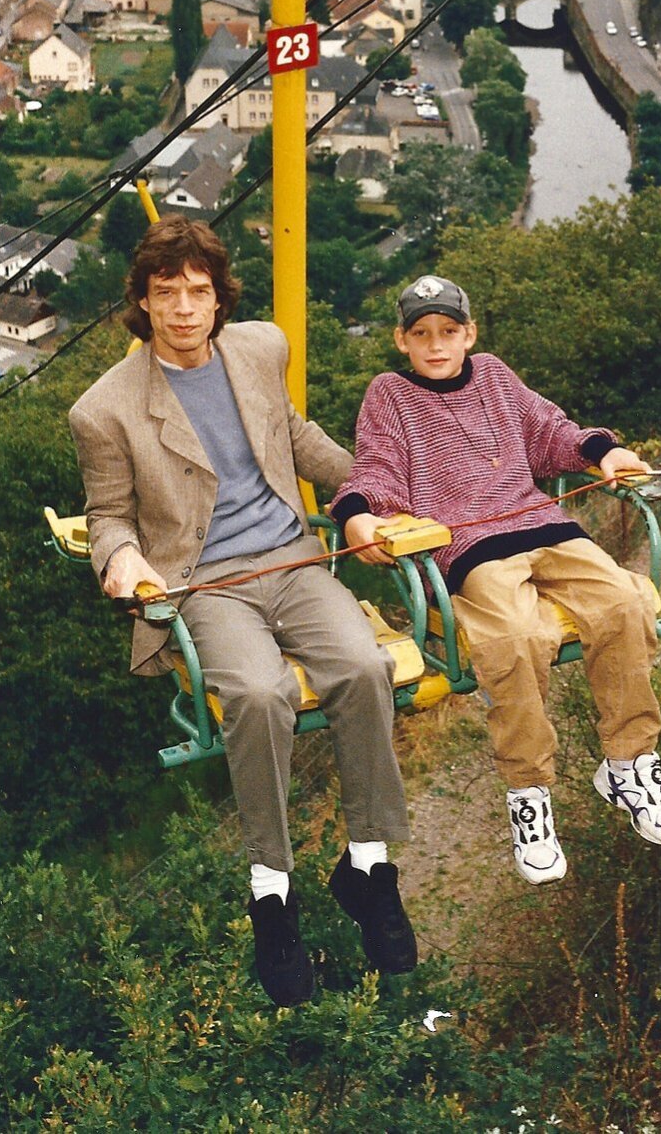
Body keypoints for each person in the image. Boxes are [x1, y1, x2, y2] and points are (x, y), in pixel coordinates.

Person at [68, 216, 417, 1005]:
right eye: (168, 294)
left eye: (199, 293)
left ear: (219, 299)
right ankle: (272, 891)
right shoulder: (106, 408)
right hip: (205, 579)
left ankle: (370, 868)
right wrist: (120, 560)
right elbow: (111, 516)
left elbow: (292, 435)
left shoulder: (260, 349)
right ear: (143, 302)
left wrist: (362, 498)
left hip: (290, 557)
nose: (186, 309)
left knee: (366, 665)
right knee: (260, 695)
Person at [333, 274, 661, 886]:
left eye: (449, 332)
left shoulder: (494, 376)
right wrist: (360, 513)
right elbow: (379, 467)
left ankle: (630, 763)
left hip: (543, 524)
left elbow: (551, 432)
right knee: (515, 637)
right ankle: (529, 794)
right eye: (421, 335)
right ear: (401, 341)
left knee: (625, 601)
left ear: (469, 333)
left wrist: (603, 454)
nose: (436, 345)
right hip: (470, 545)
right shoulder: (388, 395)